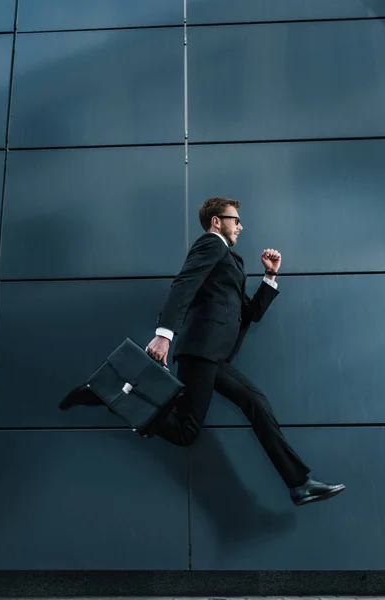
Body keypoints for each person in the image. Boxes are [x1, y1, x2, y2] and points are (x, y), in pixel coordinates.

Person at [146, 197, 345, 507]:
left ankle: (299, 485)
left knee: (247, 406)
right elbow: (183, 285)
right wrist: (164, 335)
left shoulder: (229, 259)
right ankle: (131, 401)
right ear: (217, 222)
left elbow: (249, 313)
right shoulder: (210, 245)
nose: (240, 225)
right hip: (200, 351)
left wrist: (269, 276)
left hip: (214, 356)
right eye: (235, 220)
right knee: (196, 428)